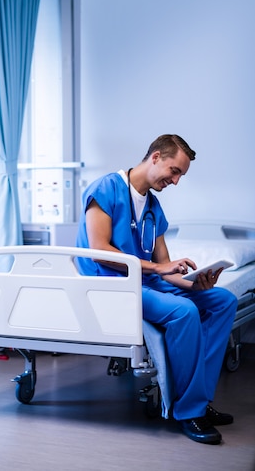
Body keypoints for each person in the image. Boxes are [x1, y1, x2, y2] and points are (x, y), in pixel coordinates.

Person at [76, 134, 237, 445]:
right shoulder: (105, 189)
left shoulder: (152, 206)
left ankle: (199, 400)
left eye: (180, 175)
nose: (175, 181)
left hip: (144, 283)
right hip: (111, 286)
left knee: (222, 301)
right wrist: (158, 268)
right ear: (155, 158)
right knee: (184, 311)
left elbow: (165, 269)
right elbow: (99, 250)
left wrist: (195, 282)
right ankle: (188, 411)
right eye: (174, 171)